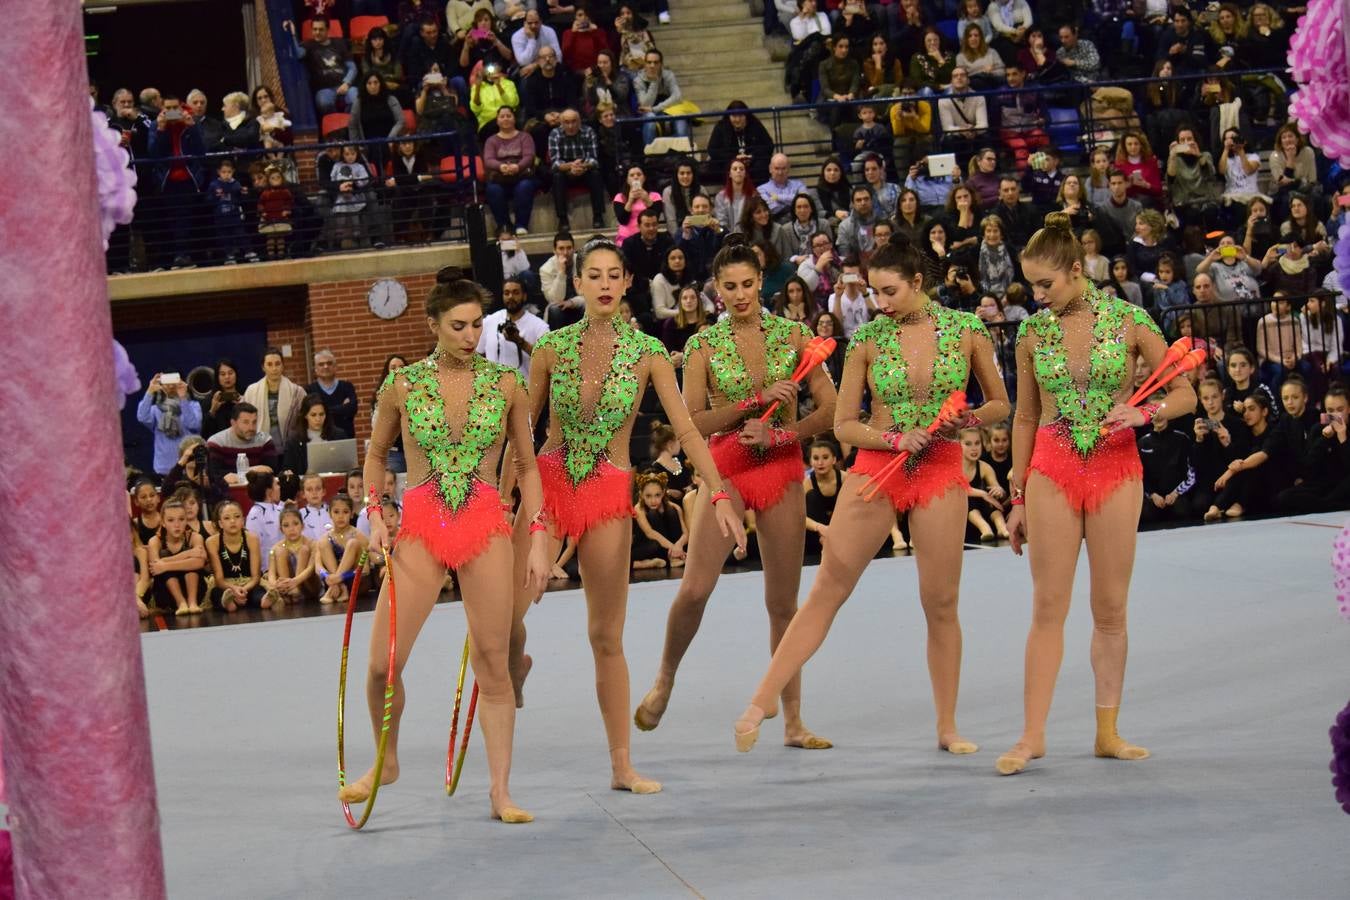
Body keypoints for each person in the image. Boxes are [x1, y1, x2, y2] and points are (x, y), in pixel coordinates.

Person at [733, 239, 1009, 753]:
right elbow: (842, 427)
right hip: (877, 467)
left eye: (890, 291)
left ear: (918, 283)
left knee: (941, 602)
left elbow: (1000, 403)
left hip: (940, 469)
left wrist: (964, 420)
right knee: (828, 587)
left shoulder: (967, 330)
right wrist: (894, 439)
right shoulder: (866, 339)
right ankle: (762, 699)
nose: (881, 302)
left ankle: (947, 726)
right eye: (874, 291)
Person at [508, 238, 747, 795]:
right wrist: (502, 500)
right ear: (580, 285)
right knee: (505, 619)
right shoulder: (550, 349)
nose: (606, 284)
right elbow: (522, 434)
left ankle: (621, 765)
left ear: (627, 282)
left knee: (605, 636)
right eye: (595, 275)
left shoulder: (649, 353)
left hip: (608, 489)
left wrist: (716, 494)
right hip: (549, 485)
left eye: (615, 274)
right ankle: (518, 659)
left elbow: (686, 430)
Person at [337, 277, 551, 824]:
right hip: (422, 527)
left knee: (492, 668)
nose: (470, 335)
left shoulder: (507, 384)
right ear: (431, 325)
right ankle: (387, 762)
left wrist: (539, 533)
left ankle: (500, 791)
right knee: (383, 666)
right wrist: (374, 513)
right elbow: (376, 455)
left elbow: (528, 466)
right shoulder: (402, 385)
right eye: (457, 325)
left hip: (485, 528)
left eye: (477, 324)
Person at [995, 212, 1197, 776]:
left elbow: (1184, 394)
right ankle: (1031, 735)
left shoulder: (1131, 322)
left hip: (1116, 470)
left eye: (1045, 284)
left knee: (1110, 610)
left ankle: (1107, 731)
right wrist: (1016, 496)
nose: (1036, 296)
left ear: (1078, 270)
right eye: (1031, 285)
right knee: (1047, 608)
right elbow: (1026, 415)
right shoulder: (1033, 333)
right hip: (1052, 471)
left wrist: (1143, 411)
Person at [635, 242, 838, 745]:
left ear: (761, 280)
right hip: (725, 469)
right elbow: (692, 420)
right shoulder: (704, 345)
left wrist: (781, 433)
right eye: (731, 287)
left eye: (749, 284)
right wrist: (752, 402)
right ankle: (665, 677)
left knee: (783, 603)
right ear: (716, 289)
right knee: (697, 587)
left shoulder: (795, 336)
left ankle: (792, 721)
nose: (742, 295)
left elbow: (831, 411)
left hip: (782, 466)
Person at [478, 277, 550, 378]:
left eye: (516, 293)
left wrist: (520, 342)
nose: (510, 297)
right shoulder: (489, 322)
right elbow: (478, 355)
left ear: (524, 296)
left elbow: (546, 360)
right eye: (506, 293)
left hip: (524, 388)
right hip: (493, 388)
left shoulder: (539, 326)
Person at [284, 16, 358, 114]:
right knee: (324, 103)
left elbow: (352, 68)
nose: (317, 32)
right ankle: (336, 124)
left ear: (328, 30)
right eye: (315, 29)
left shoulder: (340, 43)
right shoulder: (308, 45)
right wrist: (292, 34)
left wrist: (347, 83)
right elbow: (297, 54)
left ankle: (348, 121)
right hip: (325, 89)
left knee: (356, 98)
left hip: (345, 86)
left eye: (321, 29)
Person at [548, 109, 607, 231]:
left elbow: (594, 159)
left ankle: (598, 216)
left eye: (574, 122)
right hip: (566, 171)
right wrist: (571, 166)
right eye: (567, 122)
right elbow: (555, 163)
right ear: (561, 123)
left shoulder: (588, 132)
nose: (571, 126)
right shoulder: (555, 134)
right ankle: (563, 219)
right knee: (557, 177)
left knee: (596, 174)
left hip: (585, 169)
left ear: (579, 121)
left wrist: (582, 166)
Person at [243, 347, 309, 456]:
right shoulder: (251, 391)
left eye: (277, 364)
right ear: (263, 367)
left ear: (283, 366)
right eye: (269, 364)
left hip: (290, 448)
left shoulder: (297, 392)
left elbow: (304, 420)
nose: (274, 368)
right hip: (260, 448)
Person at [482, 107, 538, 235]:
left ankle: (521, 225)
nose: (505, 119)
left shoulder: (525, 137)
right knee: (493, 190)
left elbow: (529, 156)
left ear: (514, 118)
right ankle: (504, 226)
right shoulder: (491, 140)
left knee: (525, 187)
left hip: (521, 175)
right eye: (502, 116)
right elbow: (489, 159)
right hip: (499, 176)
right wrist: (501, 167)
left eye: (509, 116)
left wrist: (517, 167)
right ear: (497, 121)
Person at [148, 499, 208, 616]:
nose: (177, 525)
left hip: (194, 590)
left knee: (172, 561)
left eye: (181, 519)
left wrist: (165, 564)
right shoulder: (155, 541)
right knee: (164, 553)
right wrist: (188, 554)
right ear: (163, 522)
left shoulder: (195, 537)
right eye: (171, 520)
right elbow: (155, 567)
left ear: (186, 520)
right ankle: (181, 603)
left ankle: (192, 603)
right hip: (166, 594)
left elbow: (200, 562)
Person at [136, 373, 203, 476]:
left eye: (174, 382)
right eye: (167, 382)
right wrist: (149, 391)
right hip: (163, 468)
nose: (171, 386)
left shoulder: (193, 405)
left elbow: (193, 425)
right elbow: (142, 417)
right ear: (162, 385)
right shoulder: (156, 409)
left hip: (188, 466)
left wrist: (183, 399)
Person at [206, 500, 266, 612]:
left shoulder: (252, 539)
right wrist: (234, 589)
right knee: (216, 593)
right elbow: (219, 579)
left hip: (249, 585)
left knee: (258, 592)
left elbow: (256, 576)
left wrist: (243, 589)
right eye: (227, 518)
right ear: (220, 523)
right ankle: (228, 603)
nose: (232, 521)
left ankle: (264, 600)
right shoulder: (212, 542)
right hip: (226, 587)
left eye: (237, 517)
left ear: (243, 520)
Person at [206, 402, 279, 482]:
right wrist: (253, 470)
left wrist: (238, 475)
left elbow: (270, 470)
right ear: (233, 423)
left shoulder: (265, 440)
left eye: (254, 422)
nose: (251, 428)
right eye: (246, 422)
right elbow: (214, 475)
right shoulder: (216, 443)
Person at [706, 101, 775, 186]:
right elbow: (712, 150)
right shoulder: (721, 126)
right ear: (729, 116)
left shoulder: (755, 124)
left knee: (762, 164)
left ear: (746, 116)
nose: (737, 119)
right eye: (734, 116)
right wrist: (734, 158)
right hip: (729, 162)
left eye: (741, 116)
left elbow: (769, 145)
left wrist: (752, 156)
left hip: (753, 162)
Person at [630, 472, 689, 569]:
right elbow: (650, 533)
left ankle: (673, 558)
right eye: (648, 496)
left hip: (667, 547)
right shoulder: (639, 508)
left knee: (671, 511)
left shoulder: (675, 507)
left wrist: (678, 546)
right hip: (650, 546)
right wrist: (673, 548)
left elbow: (685, 534)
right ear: (641, 494)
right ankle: (642, 564)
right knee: (654, 543)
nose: (653, 500)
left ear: (663, 493)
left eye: (657, 495)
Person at [633, 50, 689, 145]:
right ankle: (650, 156)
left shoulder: (668, 75)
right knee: (650, 118)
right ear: (645, 64)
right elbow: (645, 105)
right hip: (649, 113)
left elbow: (677, 96)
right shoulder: (638, 80)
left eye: (656, 62)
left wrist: (655, 109)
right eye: (649, 62)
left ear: (661, 64)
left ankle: (682, 154)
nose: (652, 65)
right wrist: (654, 81)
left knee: (681, 118)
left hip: (668, 108)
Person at [267, 503, 319, 606]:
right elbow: (271, 574)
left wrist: (295, 582)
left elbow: (311, 568)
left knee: (304, 549)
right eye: (286, 525)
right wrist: (276, 585)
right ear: (281, 529)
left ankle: (294, 590)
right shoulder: (275, 548)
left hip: (309, 586)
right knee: (280, 551)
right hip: (287, 588)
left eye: (295, 523)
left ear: (302, 526)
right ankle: (285, 594)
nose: (291, 529)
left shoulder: (313, 544)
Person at [802, 439, 842, 557]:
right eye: (815, 458)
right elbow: (799, 517)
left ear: (834, 459)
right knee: (811, 496)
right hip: (816, 535)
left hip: (843, 531)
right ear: (810, 461)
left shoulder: (846, 479)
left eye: (825, 457)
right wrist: (820, 528)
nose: (820, 463)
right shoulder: (806, 484)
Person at [307, 348, 359, 437]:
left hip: (346, 438)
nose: (326, 366)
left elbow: (352, 409)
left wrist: (324, 410)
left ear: (335, 367)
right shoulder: (309, 390)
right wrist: (342, 408)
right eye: (321, 364)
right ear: (315, 369)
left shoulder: (347, 387)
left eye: (329, 363)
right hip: (319, 439)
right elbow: (309, 414)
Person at [758, 154, 808, 224]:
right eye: (777, 168)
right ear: (770, 169)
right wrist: (794, 200)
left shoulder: (799, 185)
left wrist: (778, 197)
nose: (780, 172)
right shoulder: (761, 189)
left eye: (783, 168)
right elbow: (773, 210)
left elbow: (805, 202)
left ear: (788, 169)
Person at [512, 9, 562, 77]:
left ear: (541, 22)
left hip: (548, 66)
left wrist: (536, 65)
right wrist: (532, 39)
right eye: (530, 23)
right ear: (525, 23)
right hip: (528, 70)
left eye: (536, 22)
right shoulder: (517, 36)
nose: (533, 26)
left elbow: (558, 57)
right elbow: (523, 62)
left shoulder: (549, 31)